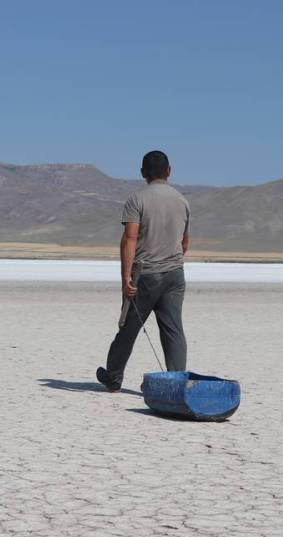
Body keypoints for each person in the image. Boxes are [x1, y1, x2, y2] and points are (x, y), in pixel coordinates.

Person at [97, 151, 190, 391]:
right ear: (169, 170)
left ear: (142, 173)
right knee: (173, 330)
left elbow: (130, 238)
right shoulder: (182, 200)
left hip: (146, 274)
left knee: (128, 327)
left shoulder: (137, 199)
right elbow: (185, 242)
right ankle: (177, 382)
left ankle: (114, 377)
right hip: (175, 274)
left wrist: (125, 277)